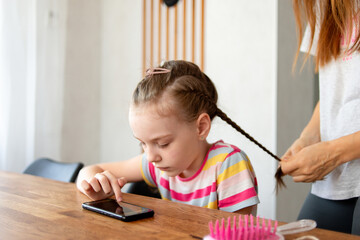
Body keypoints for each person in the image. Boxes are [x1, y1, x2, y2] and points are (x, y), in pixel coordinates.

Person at [77, 60, 278, 215]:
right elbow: (88, 171)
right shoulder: (158, 165)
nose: (151, 156)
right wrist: (94, 185)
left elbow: (237, 234)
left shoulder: (228, 165)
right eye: (143, 144)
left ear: (201, 127)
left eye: (162, 143)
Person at [279, 0, 360, 234]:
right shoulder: (325, 6)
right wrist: (308, 137)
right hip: (336, 178)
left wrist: (334, 153)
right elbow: (334, 93)